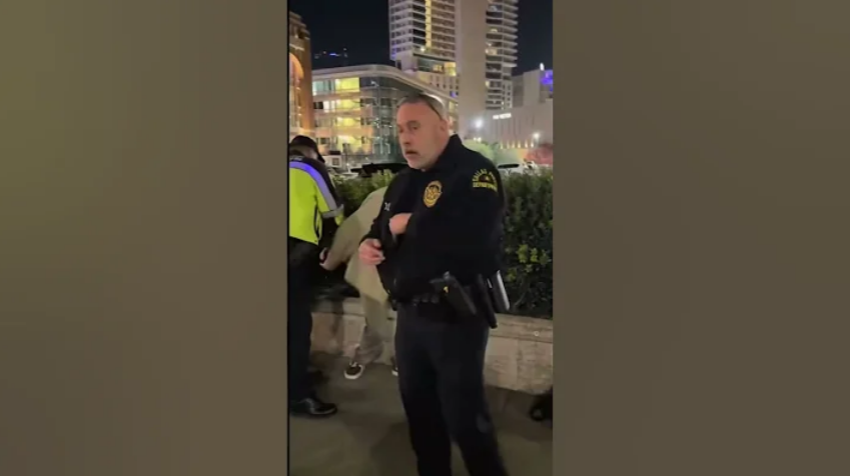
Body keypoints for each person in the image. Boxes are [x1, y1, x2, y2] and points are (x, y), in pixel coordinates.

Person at [359, 93, 509, 476]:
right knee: (421, 417)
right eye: (400, 129)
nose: (405, 138)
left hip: (456, 316)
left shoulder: (474, 172)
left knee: (465, 419)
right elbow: (381, 228)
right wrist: (371, 244)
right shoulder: (403, 182)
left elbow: (475, 238)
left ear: (443, 127)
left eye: (414, 127)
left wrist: (413, 225)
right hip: (410, 318)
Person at [288, 140, 343, 417]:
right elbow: (334, 212)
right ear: (311, 153)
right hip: (295, 256)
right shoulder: (310, 168)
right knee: (296, 328)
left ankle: (294, 377)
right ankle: (297, 396)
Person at [320, 186, 398, 379]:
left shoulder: (385, 194)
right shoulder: (386, 196)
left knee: (378, 319)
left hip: (398, 269)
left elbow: (351, 229)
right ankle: (385, 357)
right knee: (382, 318)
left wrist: (331, 262)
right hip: (378, 268)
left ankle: (385, 357)